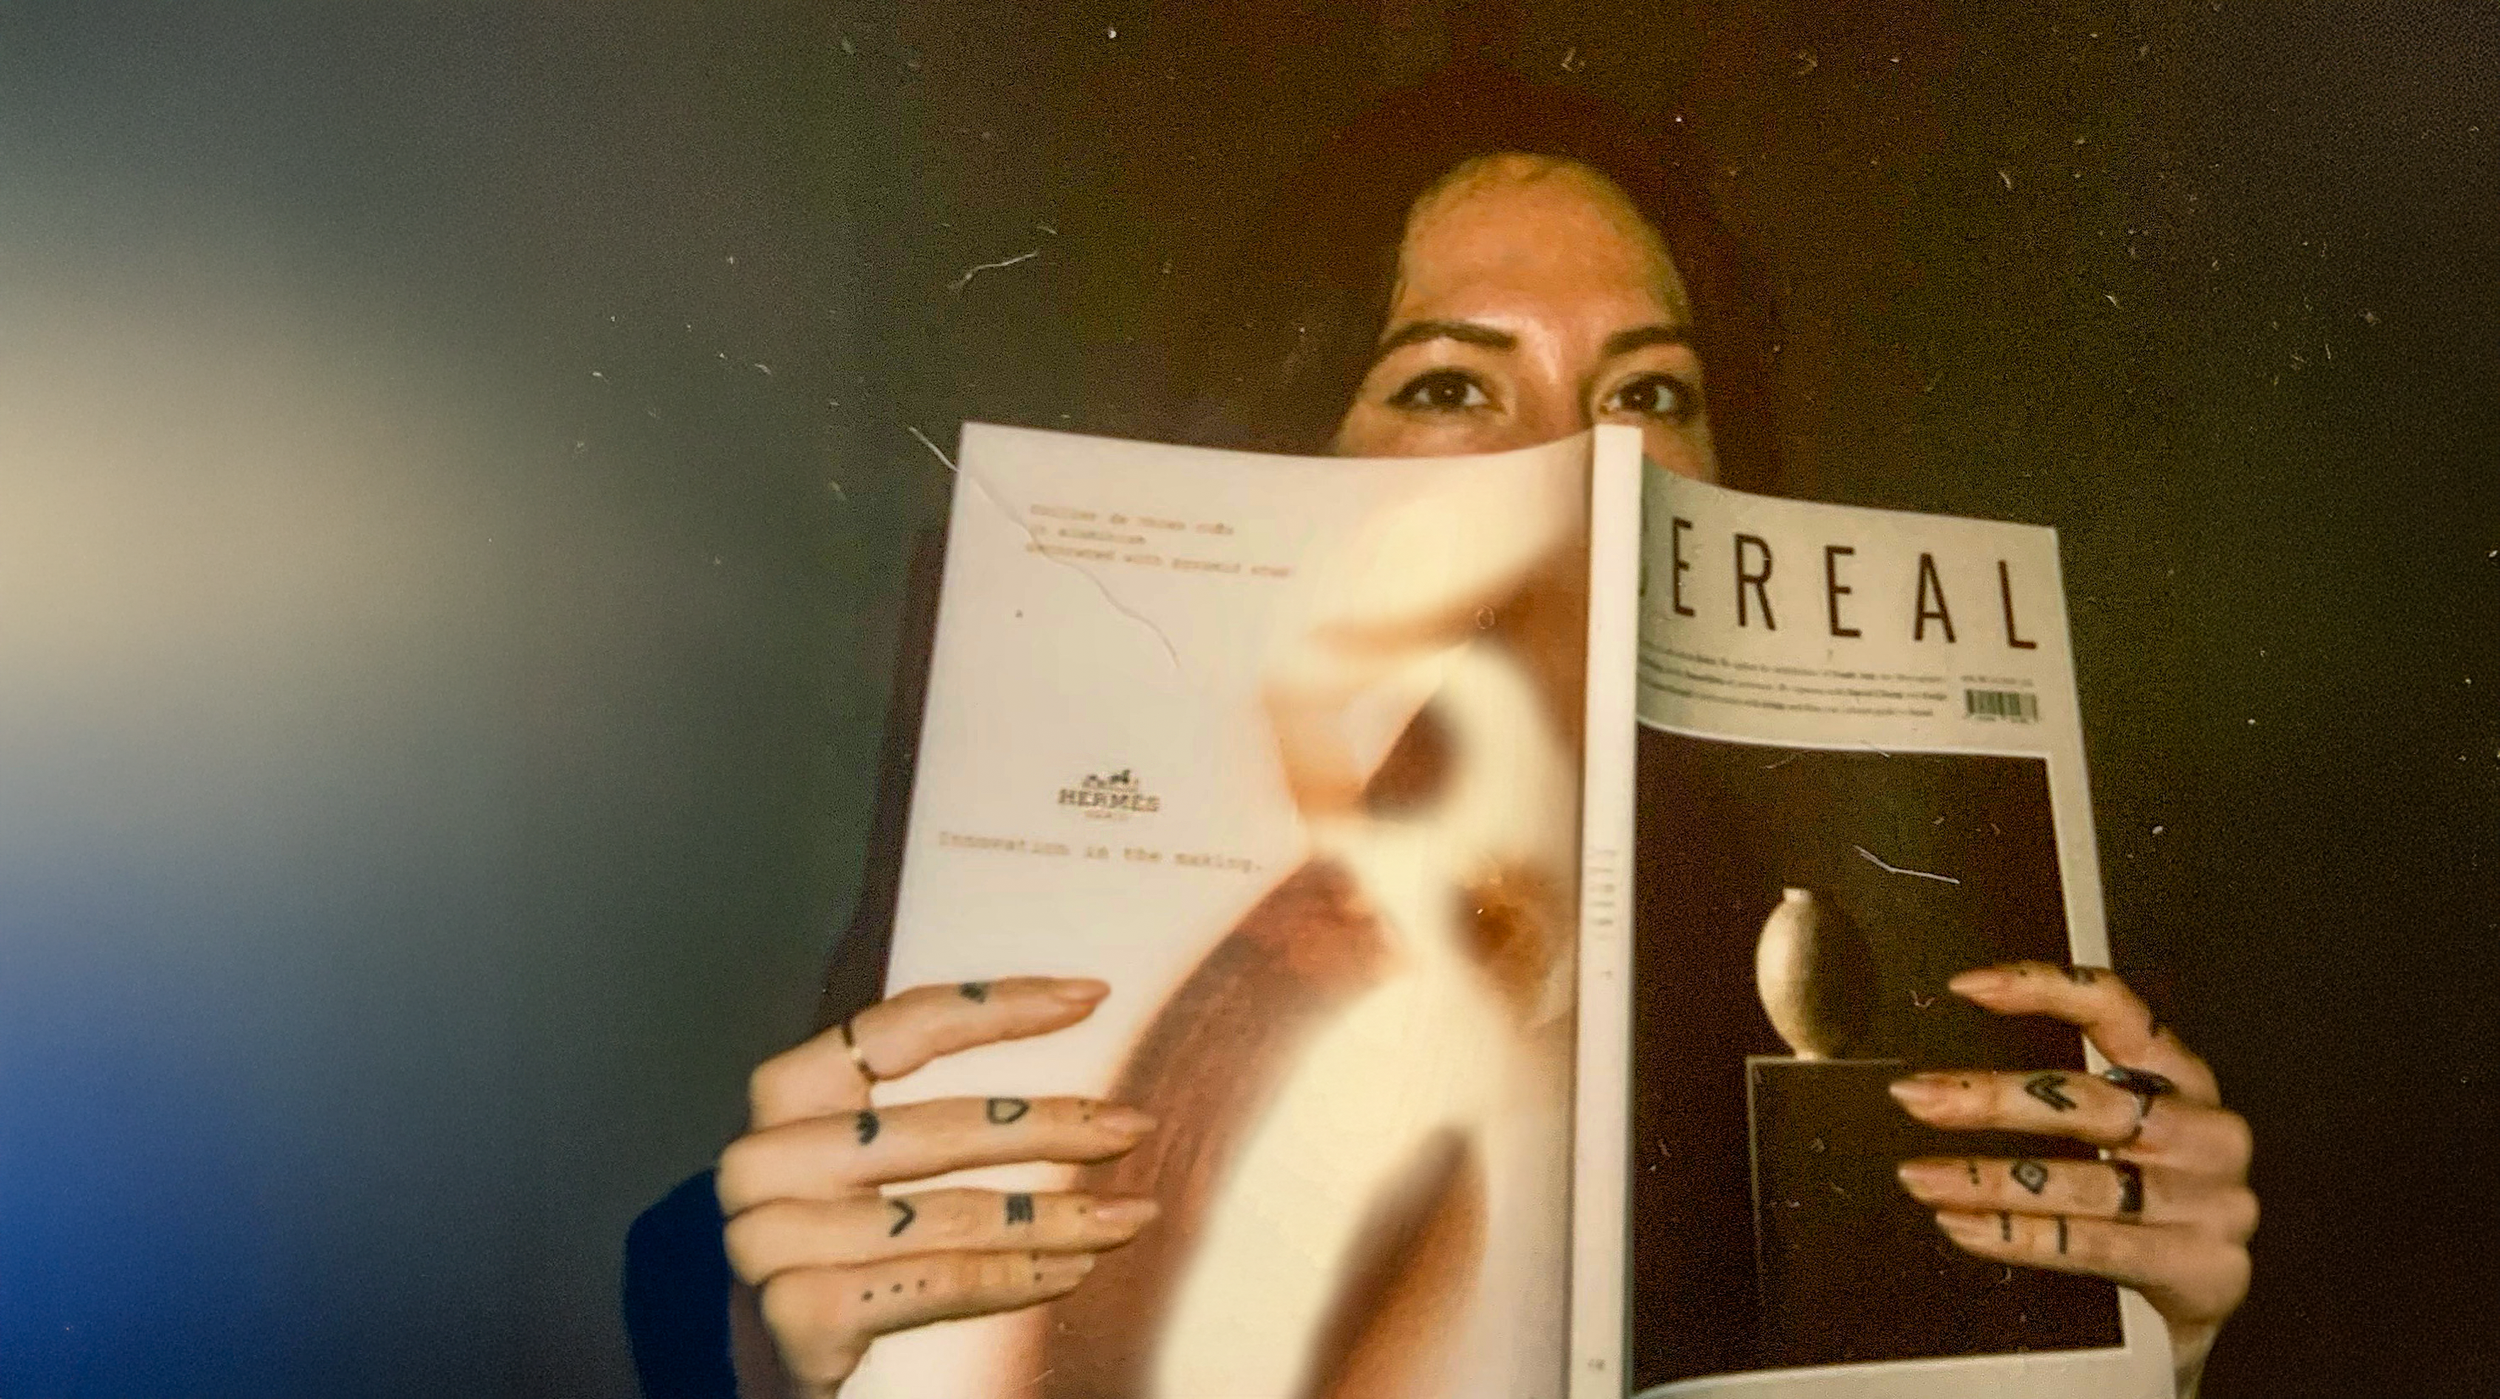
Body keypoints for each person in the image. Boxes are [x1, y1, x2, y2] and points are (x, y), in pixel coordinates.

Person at [629, 68, 2254, 1399]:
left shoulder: (1863, 967)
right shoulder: (1152, 968)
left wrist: (2146, 1350)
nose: (1581, 466)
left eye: (1647, 392)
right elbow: (708, 1276)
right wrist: (783, 1357)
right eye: (1448, 387)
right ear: (1292, 453)